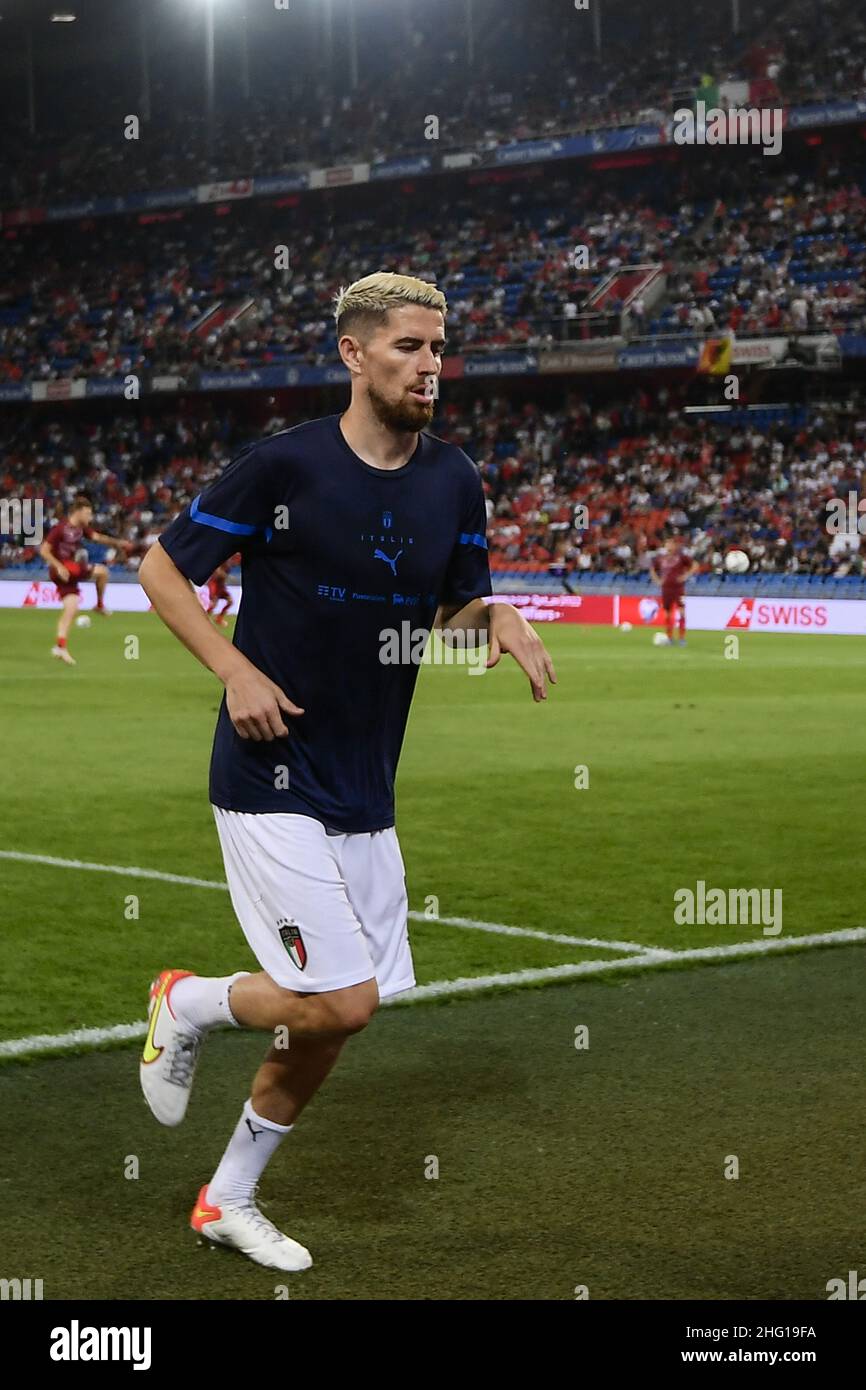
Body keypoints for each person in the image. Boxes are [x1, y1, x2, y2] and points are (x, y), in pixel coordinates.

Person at [137, 271, 557, 1273]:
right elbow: (161, 567)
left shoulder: (452, 478)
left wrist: (492, 616)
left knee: (330, 1020)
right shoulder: (283, 466)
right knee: (343, 999)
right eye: (408, 346)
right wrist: (234, 667)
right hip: (268, 772)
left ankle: (223, 1199)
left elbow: (446, 619)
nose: (429, 366)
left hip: (366, 787)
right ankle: (186, 1001)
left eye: (437, 348)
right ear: (354, 354)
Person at [39, 492, 132, 665]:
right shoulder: (61, 528)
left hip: (71, 572)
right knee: (102, 572)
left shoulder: (81, 529)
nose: (90, 516)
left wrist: (119, 543)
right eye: (88, 513)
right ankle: (99, 605)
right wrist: (59, 566)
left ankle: (60, 646)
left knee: (71, 609)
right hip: (63, 569)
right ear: (79, 511)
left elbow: (98, 537)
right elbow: (44, 550)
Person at [651, 533, 698, 645]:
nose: (669, 545)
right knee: (667, 613)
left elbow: (695, 565)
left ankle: (682, 638)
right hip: (666, 589)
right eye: (667, 543)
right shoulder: (660, 558)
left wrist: (686, 576)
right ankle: (670, 637)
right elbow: (652, 569)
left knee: (681, 612)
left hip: (679, 589)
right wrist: (657, 580)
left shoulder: (681, 557)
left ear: (675, 545)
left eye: (671, 543)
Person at [206, 555, 238, 626]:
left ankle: (219, 618)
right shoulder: (221, 561)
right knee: (214, 603)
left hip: (221, 586)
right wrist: (227, 576)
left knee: (230, 601)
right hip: (214, 584)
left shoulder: (229, 562)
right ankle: (204, 619)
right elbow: (217, 574)